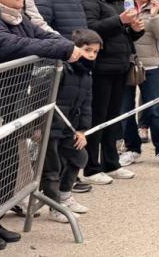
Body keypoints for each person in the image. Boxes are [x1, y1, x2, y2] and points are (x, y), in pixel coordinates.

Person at [0, 0, 86, 244]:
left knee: (5, 164)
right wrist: (64, 49)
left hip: (7, 105)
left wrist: (66, 45)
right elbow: (11, 45)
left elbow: (42, 36)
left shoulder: (18, 17)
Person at [79, 0, 144, 185]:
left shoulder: (121, 1)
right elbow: (90, 29)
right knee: (98, 118)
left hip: (120, 65)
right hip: (100, 68)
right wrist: (120, 21)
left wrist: (135, 30)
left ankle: (111, 163)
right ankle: (91, 167)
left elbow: (123, 35)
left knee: (113, 118)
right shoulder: (89, 0)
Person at [40, 28, 100, 222]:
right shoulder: (60, 69)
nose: (91, 55)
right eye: (87, 50)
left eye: (95, 51)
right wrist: (37, 127)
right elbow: (40, 99)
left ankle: (65, 195)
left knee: (79, 156)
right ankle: (55, 207)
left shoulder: (87, 75)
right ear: (75, 48)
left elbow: (87, 104)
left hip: (70, 127)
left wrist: (82, 130)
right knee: (52, 169)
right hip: (49, 127)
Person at [119, 0, 159, 169]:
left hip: (150, 66)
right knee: (126, 110)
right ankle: (132, 149)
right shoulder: (123, 6)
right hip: (125, 65)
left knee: (153, 110)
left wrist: (155, 16)